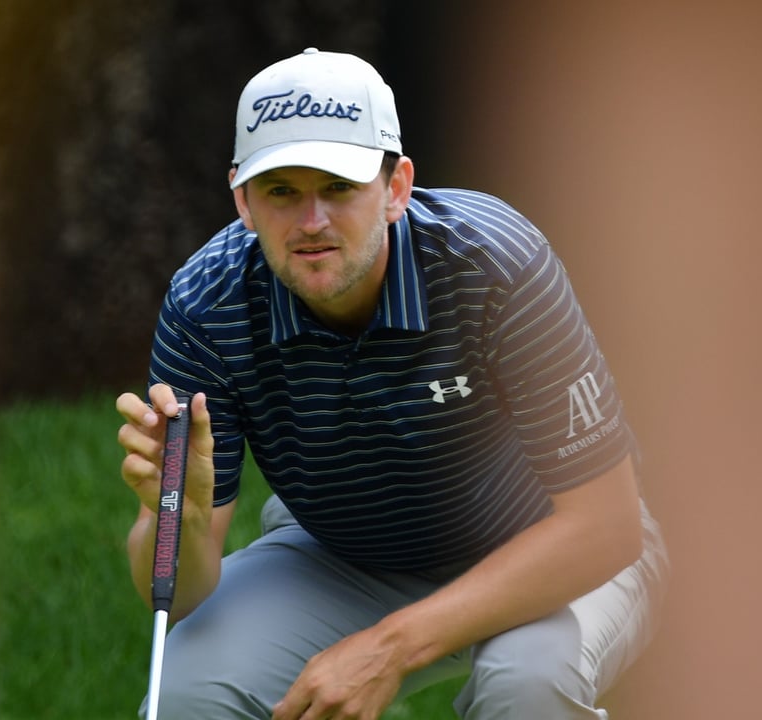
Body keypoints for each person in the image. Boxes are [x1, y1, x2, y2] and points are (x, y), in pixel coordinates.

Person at [116, 47, 669, 720]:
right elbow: (173, 592)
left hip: (544, 540)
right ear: (243, 200)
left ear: (397, 187)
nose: (311, 221)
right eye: (282, 191)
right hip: (342, 553)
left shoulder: (494, 264)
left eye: (340, 187)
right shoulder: (206, 304)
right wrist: (182, 518)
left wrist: (391, 646)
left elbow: (606, 528)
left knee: (525, 686)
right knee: (182, 697)